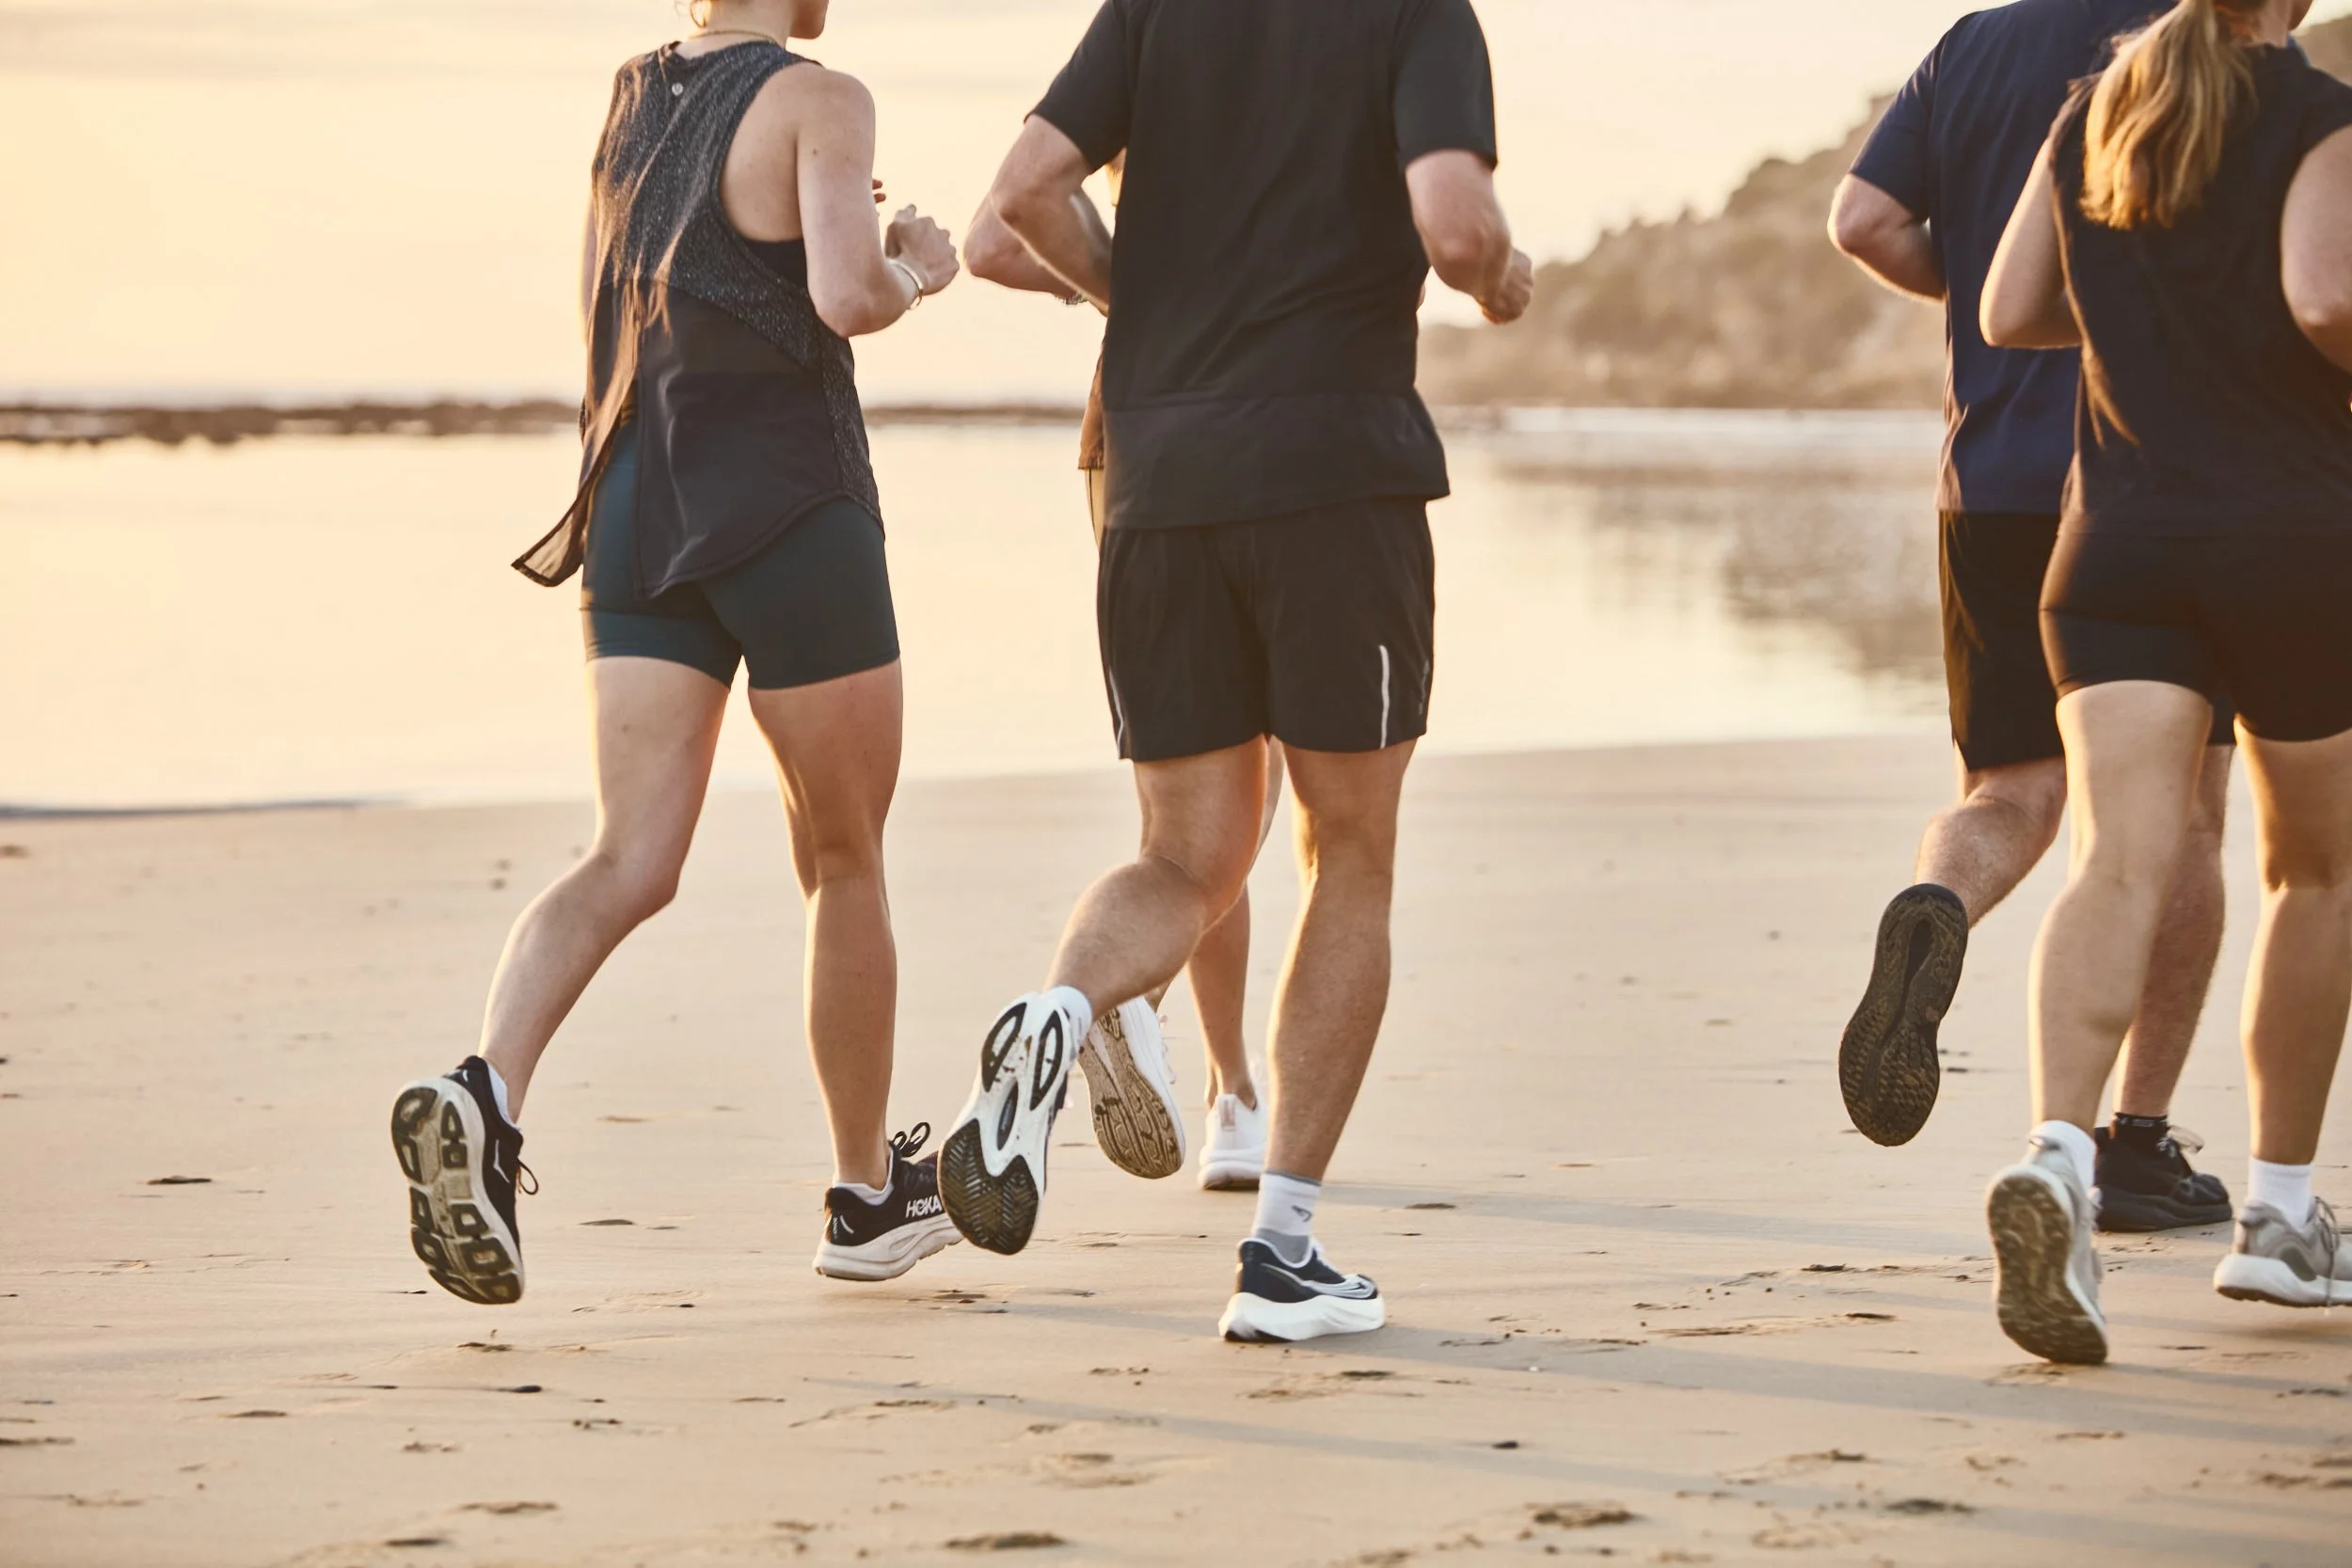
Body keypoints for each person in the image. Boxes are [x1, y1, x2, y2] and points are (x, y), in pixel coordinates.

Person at [937, 0, 1533, 1344]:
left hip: (1158, 484)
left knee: (1187, 857)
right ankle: (1282, 1252)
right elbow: (1456, 223)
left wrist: (1138, 295)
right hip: (1335, 478)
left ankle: (1059, 1007)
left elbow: (1023, 193)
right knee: (1349, 852)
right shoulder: (1420, 14)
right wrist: (1500, 281)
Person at [388, 0, 964, 1303]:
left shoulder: (631, 94)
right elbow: (843, 293)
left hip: (634, 497)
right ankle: (867, 1197)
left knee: (625, 855)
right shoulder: (824, 97)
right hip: (786, 504)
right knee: (843, 851)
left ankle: (486, 1087)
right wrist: (916, 259)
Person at [1979, 0, 2352, 1362]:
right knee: (2314, 872)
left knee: (2117, 861)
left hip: (2114, 548)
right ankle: (2280, 1220)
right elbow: (2327, 296)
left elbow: (2012, 307)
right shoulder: (2317, 114)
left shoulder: (2099, 111)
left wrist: (2159, 317)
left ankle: (2062, 1158)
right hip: (2292, 540)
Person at [1827, 0, 2235, 1236]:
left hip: (1990, 484)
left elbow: (1864, 218)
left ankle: (1941, 901)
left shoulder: (1975, 44)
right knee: (2177, 815)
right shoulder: (2209, 55)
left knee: (2012, 788)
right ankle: (2138, 1142)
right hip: (2145, 484)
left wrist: (2003, 282)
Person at [964, 161, 1276, 1194]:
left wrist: (1124, 287)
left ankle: (1172, 1043)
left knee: (1195, 806)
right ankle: (1209, 1073)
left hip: (1130, 436)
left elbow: (996, 236)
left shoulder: (1133, 47)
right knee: (1237, 798)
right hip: (1273, 428)